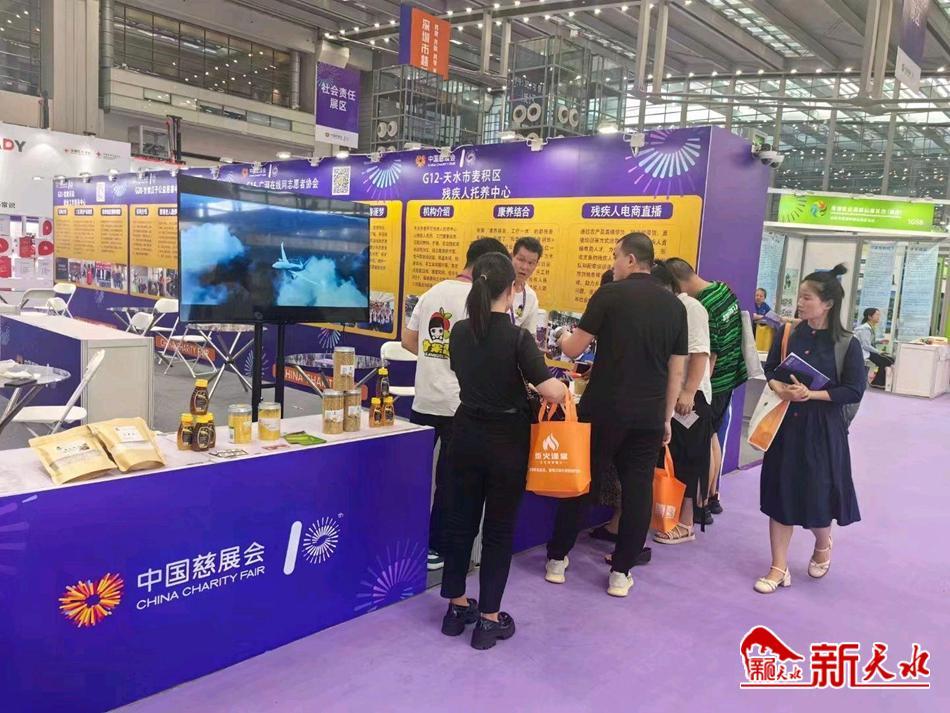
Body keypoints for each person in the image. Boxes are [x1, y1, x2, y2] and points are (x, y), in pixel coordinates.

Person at [544, 233, 687, 598]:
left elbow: (574, 349)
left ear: (630, 260)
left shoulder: (609, 294)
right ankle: (621, 573)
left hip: (604, 408)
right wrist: (666, 417)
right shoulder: (675, 307)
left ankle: (558, 559)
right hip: (649, 413)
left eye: (615, 256)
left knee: (583, 482)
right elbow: (676, 369)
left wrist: (559, 335)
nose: (613, 263)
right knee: (638, 490)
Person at [440, 252, 568, 650]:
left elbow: (465, 371)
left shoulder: (460, 332)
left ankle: (456, 608)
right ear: (512, 289)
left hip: (464, 433)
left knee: (461, 522)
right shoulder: (517, 338)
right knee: (498, 530)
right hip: (506, 442)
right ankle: (489, 620)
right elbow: (549, 389)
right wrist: (562, 387)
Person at [754, 264, 865, 594]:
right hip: (785, 425)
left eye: (807, 298)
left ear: (827, 303)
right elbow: (771, 370)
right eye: (800, 297)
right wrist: (780, 388)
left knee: (818, 496)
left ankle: (822, 540)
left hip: (822, 430)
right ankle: (778, 567)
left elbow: (853, 389)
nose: (800, 303)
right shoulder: (788, 332)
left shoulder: (846, 343)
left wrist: (811, 394)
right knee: (780, 494)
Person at [402, 237, 510, 571]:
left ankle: (404, 540)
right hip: (458, 405)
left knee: (415, 477)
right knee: (450, 482)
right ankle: (436, 548)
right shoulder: (480, 300)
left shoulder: (432, 292)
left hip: (424, 399)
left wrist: (432, 360)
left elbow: (408, 340)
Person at [666, 258, 747, 520]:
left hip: (713, 383)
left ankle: (700, 507)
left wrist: (695, 389)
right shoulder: (723, 290)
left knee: (704, 444)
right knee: (711, 441)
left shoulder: (702, 306)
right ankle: (711, 498)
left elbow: (708, 354)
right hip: (730, 377)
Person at [651, 260, 713, 545]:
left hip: (691, 397)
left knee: (688, 459)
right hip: (669, 393)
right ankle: (668, 516)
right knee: (671, 457)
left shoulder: (692, 308)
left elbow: (700, 353)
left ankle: (686, 523)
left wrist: (688, 392)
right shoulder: (666, 307)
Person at [510, 237, 543, 333]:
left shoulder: (531, 297)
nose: (525, 267)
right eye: (521, 260)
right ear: (512, 256)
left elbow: (529, 333)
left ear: (536, 265)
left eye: (531, 263)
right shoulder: (496, 285)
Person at [855, 308, 893, 389]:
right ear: (870, 317)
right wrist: (878, 351)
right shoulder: (865, 328)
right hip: (864, 352)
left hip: (868, 351)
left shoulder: (870, 327)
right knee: (887, 361)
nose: (879, 317)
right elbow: (865, 345)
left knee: (889, 360)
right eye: (877, 315)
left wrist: (880, 341)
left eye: (879, 315)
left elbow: (869, 341)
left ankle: (878, 382)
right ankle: (878, 383)